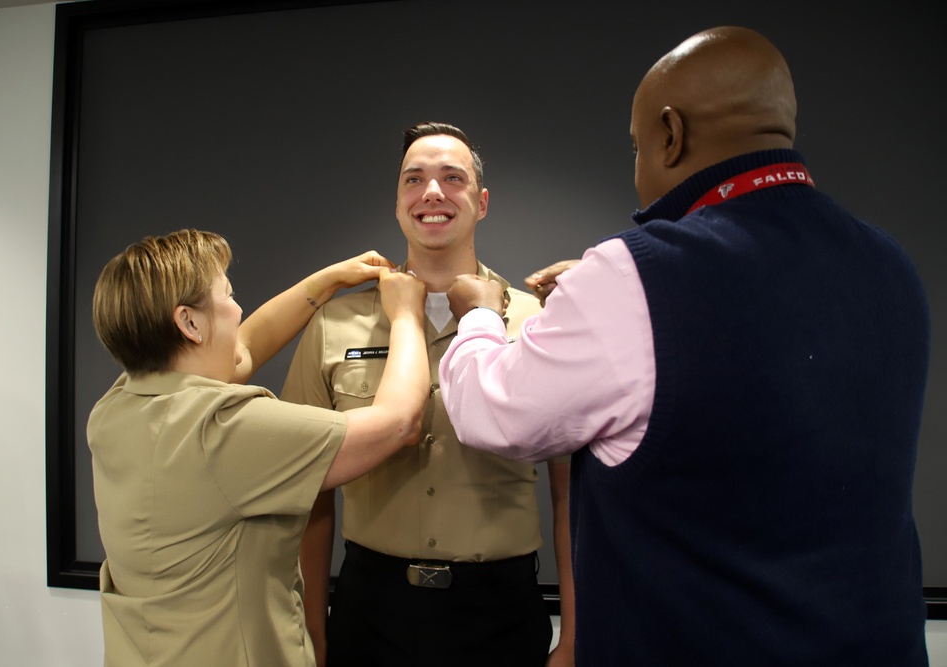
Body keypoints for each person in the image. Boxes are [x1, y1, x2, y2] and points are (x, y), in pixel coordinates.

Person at [439, 27, 930, 666]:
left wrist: (479, 316)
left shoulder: (631, 276)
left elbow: (491, 412)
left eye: (638, 147)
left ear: (670, 134)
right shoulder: (892, 265)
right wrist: (606, 302)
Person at [282, 122, 576, 667]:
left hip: (499, 614)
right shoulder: (334, 323)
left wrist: (576, 635)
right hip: (369, 611)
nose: (432, 193)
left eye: (452, 178)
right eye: (414, 179)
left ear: (481, 202)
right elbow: (308, 494)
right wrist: (313, 628)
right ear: (398, 203)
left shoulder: (541, 322)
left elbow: (571, 493)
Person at [87, 229, 429, 667]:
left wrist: (324, 283)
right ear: (189, 323)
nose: (238, 308)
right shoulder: (224, 428)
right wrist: (405, 316)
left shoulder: (118, 406)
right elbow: (397, 424)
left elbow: (244, 346)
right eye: (228, 295)